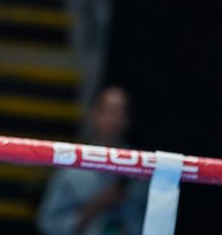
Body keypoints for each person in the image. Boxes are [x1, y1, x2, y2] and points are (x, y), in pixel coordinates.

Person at [36, 86, 147, 235]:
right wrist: (94, 207)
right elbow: (48, 224)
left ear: (127, 119)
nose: (113, 120)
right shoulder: (71, 166)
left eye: (119, 113)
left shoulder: (141, 167)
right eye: (108, 111)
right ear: (95, 114)